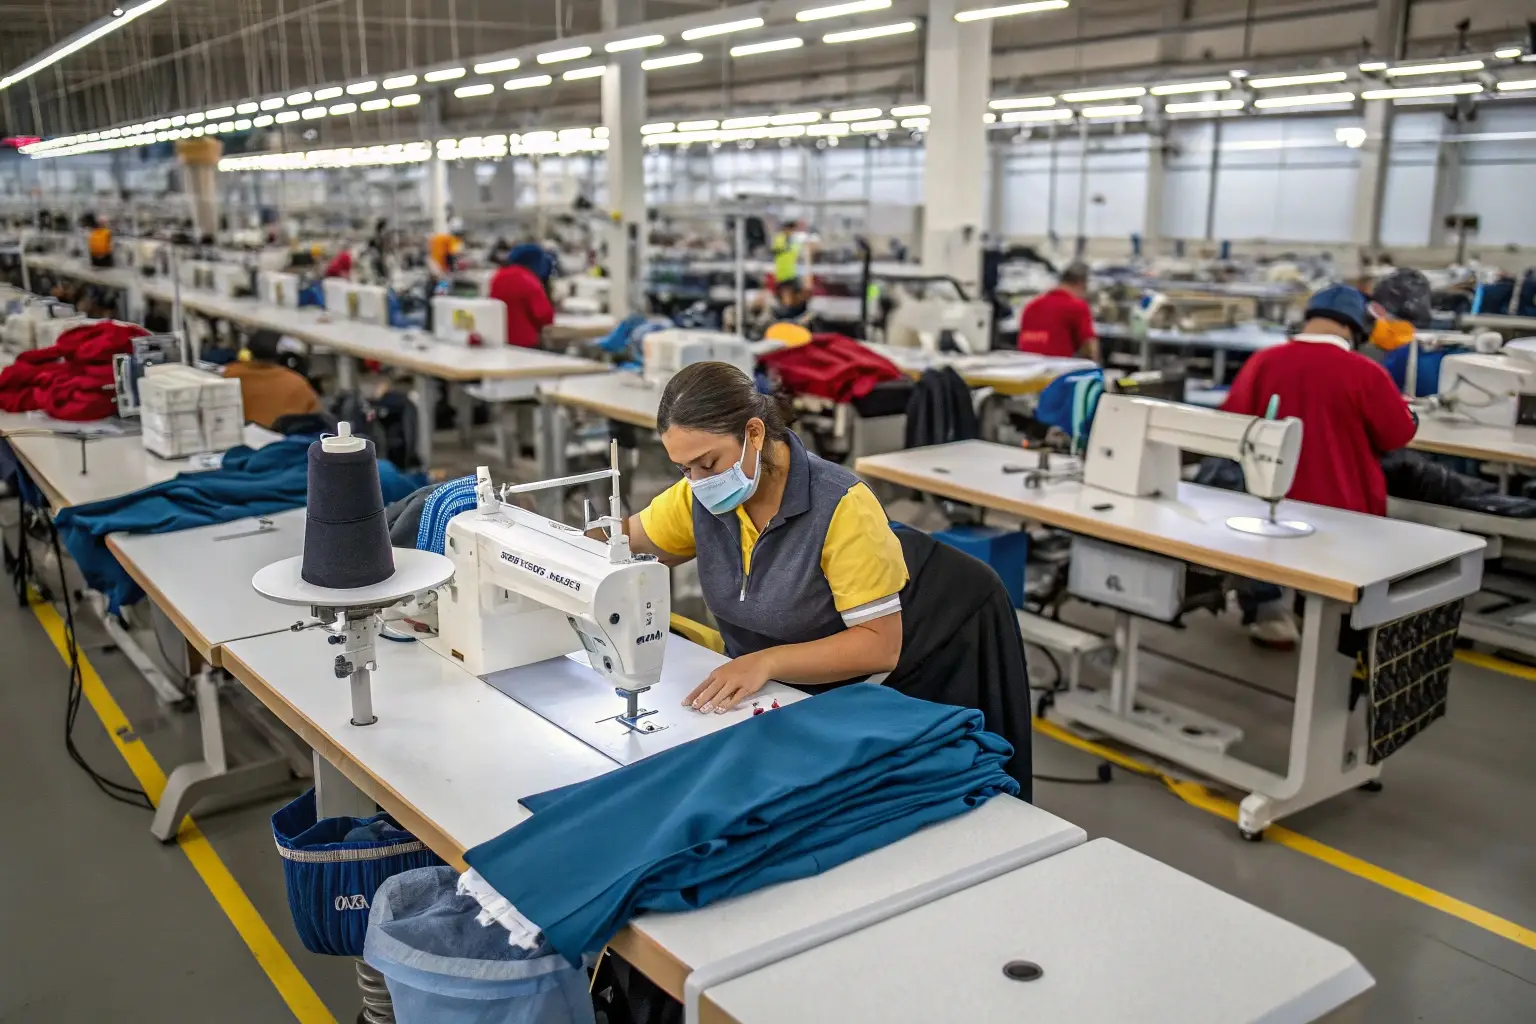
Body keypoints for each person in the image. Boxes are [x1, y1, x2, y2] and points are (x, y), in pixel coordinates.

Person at [618, 361, 908, 713]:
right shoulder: (700, 494)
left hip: (830, 701)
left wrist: (766, 662)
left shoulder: (843, 506)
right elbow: (622, 540)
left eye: (707, 464)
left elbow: (880, 647)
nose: (697, 481)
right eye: (684, 469)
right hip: (748, 689)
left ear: (754, 434)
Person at [1221, 284, 1418, 645]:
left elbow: (1231, 424)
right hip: (1344, 511)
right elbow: (1396, 436)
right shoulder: (1366, 373)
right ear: (1354, 328)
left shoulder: (1263, 361)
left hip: (1268, 506)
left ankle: (1269, 614)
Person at [222, 330, 323, 428]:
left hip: (240, 437)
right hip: (284, 442)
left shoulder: (229, 373)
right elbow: (316, 419)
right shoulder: (298, 384)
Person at [1015, 262, 1100, 363]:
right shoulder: (1077, 306)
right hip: (1057, 371)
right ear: (1082, 284)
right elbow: (1089, 346)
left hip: (1026, 368)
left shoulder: (1031, 305)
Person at [488, 244, 555, 348]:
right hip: (526, 344)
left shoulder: (497, 276)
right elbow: (544, 316)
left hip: (499, 339)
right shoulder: (529, 280)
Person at [771, 219, 804, 293]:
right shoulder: (779, 238)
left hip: (792, 272)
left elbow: (798, 252)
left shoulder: (794, 240)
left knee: (794, 293)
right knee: (784, 293)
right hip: (782, 273)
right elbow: (775, 250)